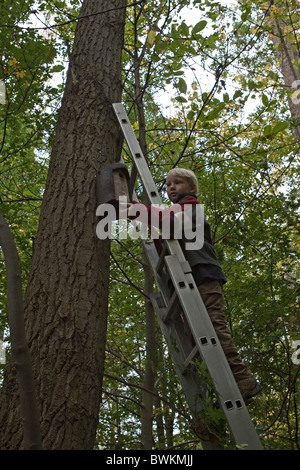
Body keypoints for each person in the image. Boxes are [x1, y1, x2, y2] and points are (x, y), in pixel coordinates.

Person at [127, 167, 262, 406]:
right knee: (198, 340)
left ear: (191, 188)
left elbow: (169, 221)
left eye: (177, 183)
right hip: (186, 282)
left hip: (202, 275)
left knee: (214, 330)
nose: (171, 188)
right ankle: (225, 389)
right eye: (167, 184)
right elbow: (162, 238)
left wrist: (140, 211)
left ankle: (244, 380)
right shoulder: (174, 212)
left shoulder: (192, 208)